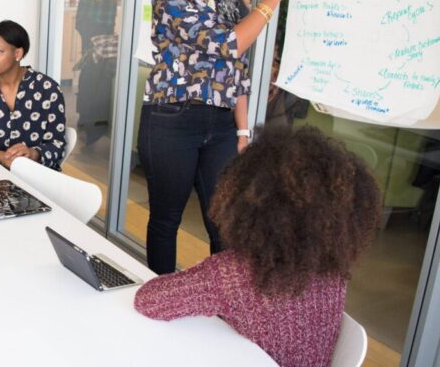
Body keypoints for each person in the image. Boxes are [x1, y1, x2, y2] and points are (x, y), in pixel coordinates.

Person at [134, 126, 382, 367]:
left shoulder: (231, 273)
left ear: (244, 204)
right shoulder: (333, 271)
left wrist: (206, 275)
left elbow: (148, 301)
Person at [138, 0, 298, 274]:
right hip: (172, 120)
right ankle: (159, 295)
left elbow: (235, 68)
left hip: (222, 123)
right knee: (166, 219)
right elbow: (229, 44)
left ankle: (224, 303)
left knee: (224, 223)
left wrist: (242, 130)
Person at [0, 20, 67, 170]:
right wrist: (0, 156)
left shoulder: (48, 90)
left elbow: (57, 145)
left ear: (17, 53)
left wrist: (33, 153)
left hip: (37, 178)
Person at [75, 0, 123, 146]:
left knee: (96, 69)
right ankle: (88, 120)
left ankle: (90, 120)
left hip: (102, 21)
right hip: (92, 22)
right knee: (92, 68)